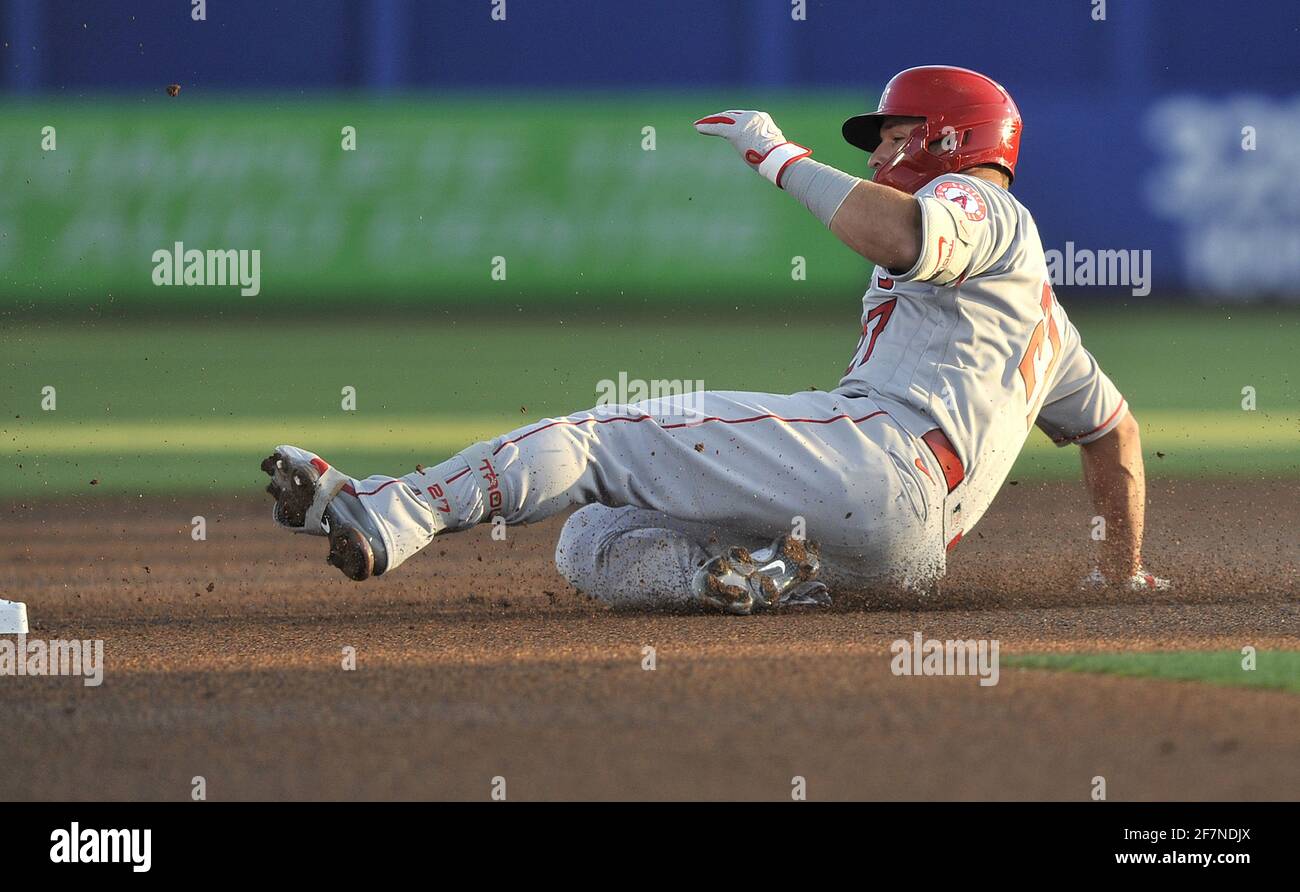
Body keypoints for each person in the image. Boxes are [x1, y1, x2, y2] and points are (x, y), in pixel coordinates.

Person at [263, 65, 1168, 614]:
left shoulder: (982, 203)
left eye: (893, 137)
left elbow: (901, 236)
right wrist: (1121, 574)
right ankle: (762, 580)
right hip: (901, 557)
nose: (877, 156)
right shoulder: (1047, 325)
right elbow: (1113, 435)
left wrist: (779, 158)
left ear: (947, 139)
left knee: (607, 435)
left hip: (884, 459)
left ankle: (393, 510)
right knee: (593, 540)